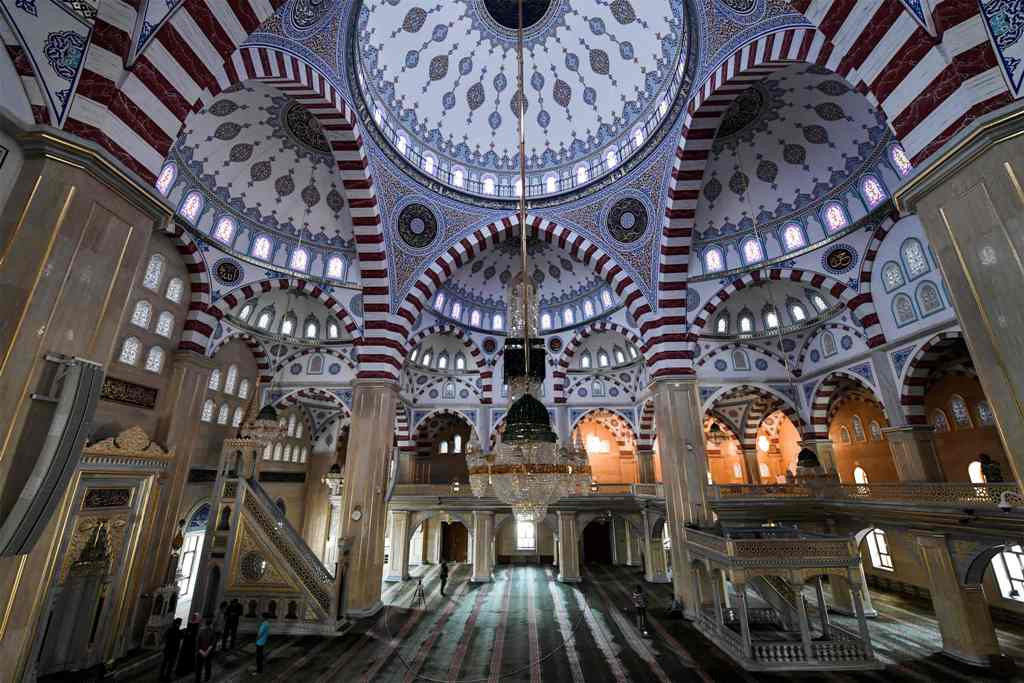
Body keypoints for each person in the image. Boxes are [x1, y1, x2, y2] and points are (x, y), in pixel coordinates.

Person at [176, 612, 201, 676]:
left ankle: (185, 669)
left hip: (189, 642)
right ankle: (185, 669)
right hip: (189, 642)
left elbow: (192, 633)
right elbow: (193, 633)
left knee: (187, 655)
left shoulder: (193, 623)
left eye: (194, 616)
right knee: (187, 655)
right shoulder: (195, 624)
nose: (194, 617)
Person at [195, 617, 216, 682]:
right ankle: (206, 679)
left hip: (200, 652)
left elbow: (197, 642)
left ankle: (197, 680)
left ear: (205, 623)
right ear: (211, 624)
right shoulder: (212, 632)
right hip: (208, 653)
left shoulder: (200, 631)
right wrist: (207, 652)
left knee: (199, 668)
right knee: (208, 667)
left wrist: (201, 651)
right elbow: (212, 644)